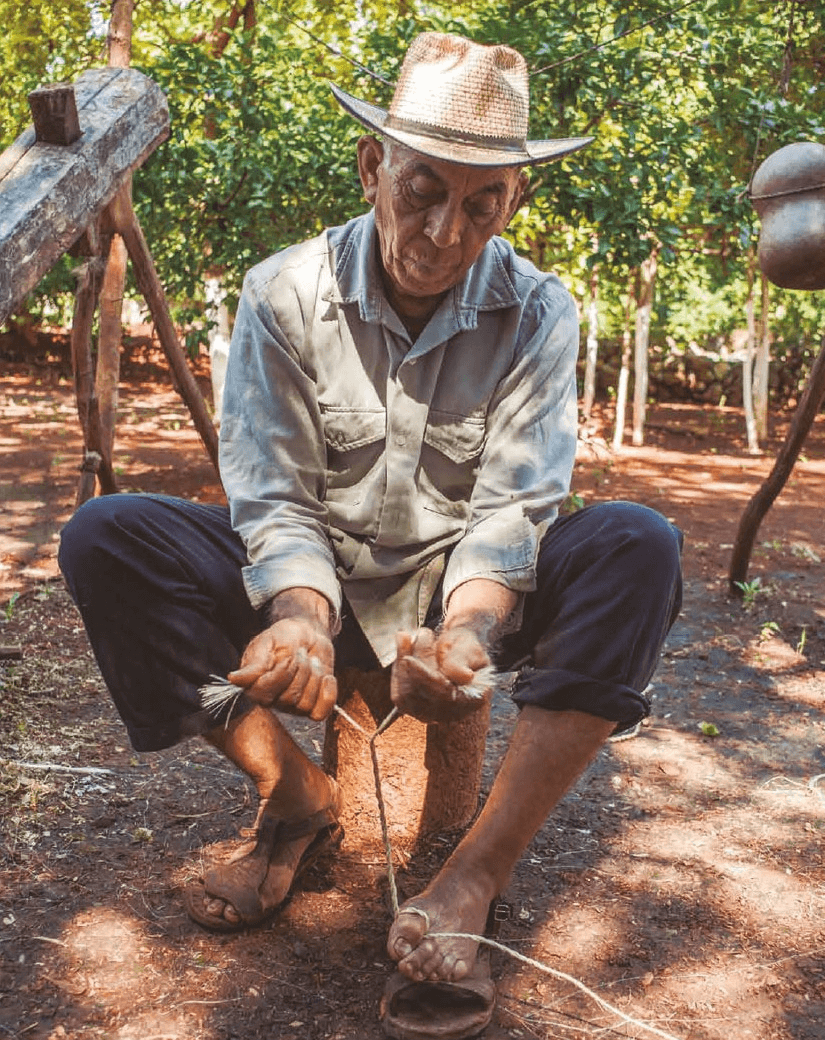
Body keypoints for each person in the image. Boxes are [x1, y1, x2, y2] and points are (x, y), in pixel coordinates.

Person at [58, 31, 683, 1040]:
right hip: (321, 589)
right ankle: (293, 790)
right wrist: (300, 619)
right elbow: (271, 498)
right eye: (423, 189)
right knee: (106, 535)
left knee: (637, 545)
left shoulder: (539, 311)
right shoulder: (280, 294)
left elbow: (513, 510)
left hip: (464, 606)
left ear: (514, 203)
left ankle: (473, 876)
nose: (447, 229)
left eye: (485, 204)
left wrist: (468, 636)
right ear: (371, 167)